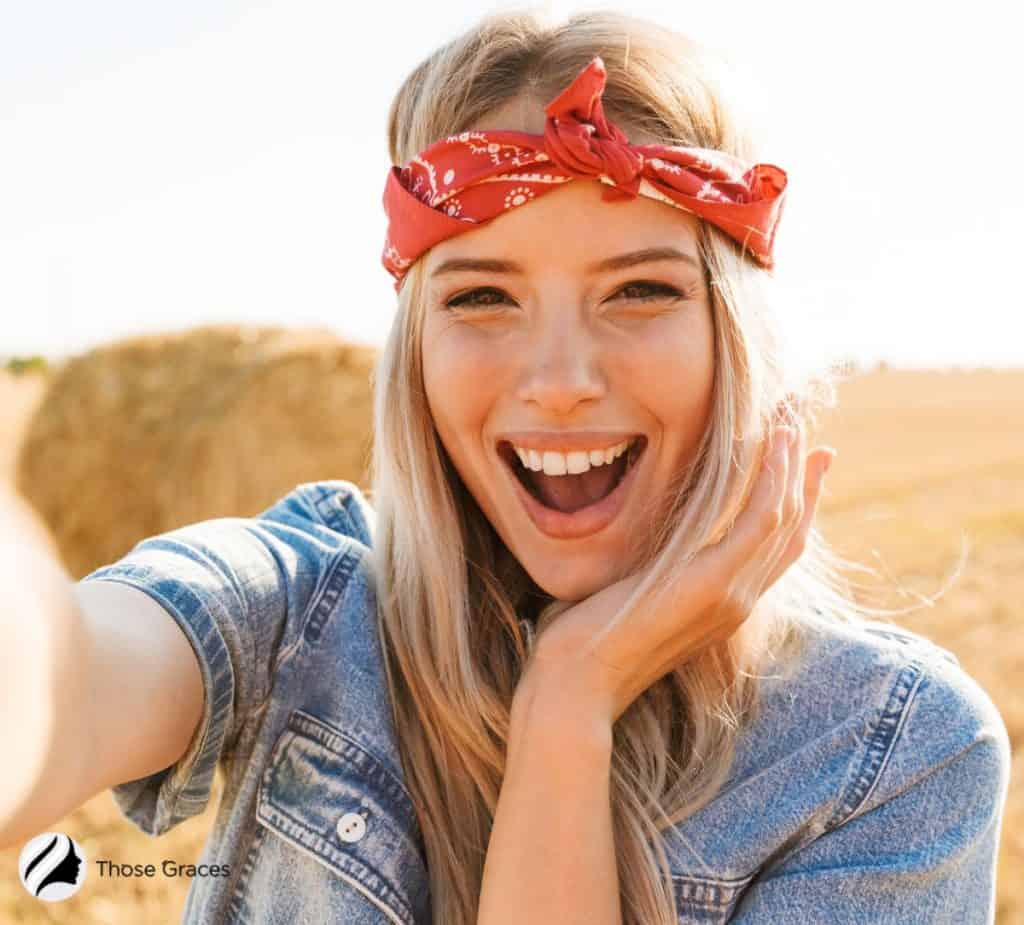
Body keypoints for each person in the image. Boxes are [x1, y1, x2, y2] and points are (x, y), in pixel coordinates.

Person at [0, 9, 1010, 925]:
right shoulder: (299, 606)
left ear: (731, 332)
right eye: (482, 297)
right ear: (416, 347)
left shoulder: (894, 756)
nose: (560, 380)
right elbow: (66, 684)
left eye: (640, 292)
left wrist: (568, 700)